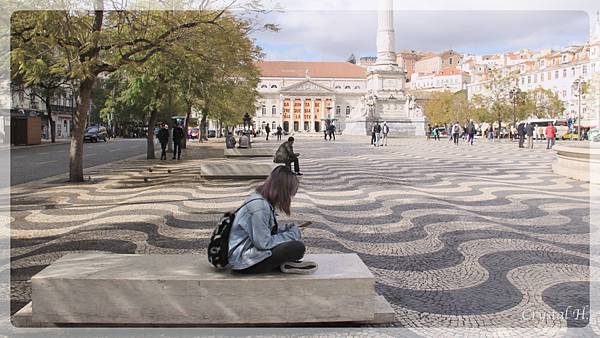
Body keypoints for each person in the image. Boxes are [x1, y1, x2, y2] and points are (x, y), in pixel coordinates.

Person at [228, 166, 316, 274]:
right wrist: (293, 234)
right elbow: (264, 243)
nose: (290, 198)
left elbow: (264, 232)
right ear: (283, 191)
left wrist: (285, 230)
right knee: (297, 247)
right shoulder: (259, 207)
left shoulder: (261, 201)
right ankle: (284, 265)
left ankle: (285, 265)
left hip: (247, 253)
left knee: (292, 246)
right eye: (290, 194)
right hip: (243, 261)